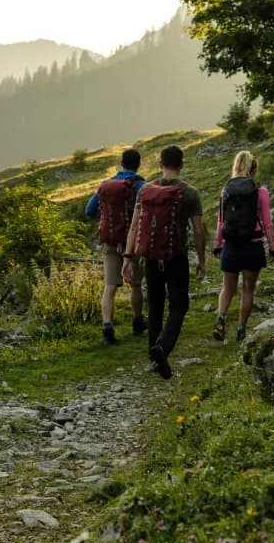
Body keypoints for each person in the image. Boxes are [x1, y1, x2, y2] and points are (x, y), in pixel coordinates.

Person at [123, 145, 206, 380]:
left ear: (160, 164)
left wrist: (128, 257)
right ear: (181, 164)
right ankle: (162, 347)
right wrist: (201, 259)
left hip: (150, 257)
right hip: (175, 257)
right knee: (179, 306)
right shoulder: (190, 193)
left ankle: (154, 358)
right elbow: (198, 231)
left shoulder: (145, 190)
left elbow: (135, 226)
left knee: (155, 306)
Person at [212, 150, 274, 344]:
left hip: (231, 246)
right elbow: (267, 222)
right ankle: (241, 331)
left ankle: (221, 317)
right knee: (248, 290)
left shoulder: (226, 190)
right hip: (253, 246)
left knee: (227, 287)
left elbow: (220, 221)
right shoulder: (260, 192)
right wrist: (272, 246)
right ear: (253, 169)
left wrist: (217, 245)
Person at [85, 148, 147, 346]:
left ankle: (107, 329)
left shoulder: (106, 185)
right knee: (135, 284)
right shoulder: (140, 186)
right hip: (131, 242)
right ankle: (138, 322)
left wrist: (107, 218)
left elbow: (89, 211)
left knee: (110, 286)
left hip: (109, 241)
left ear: (121, 163)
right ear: (138, 164)